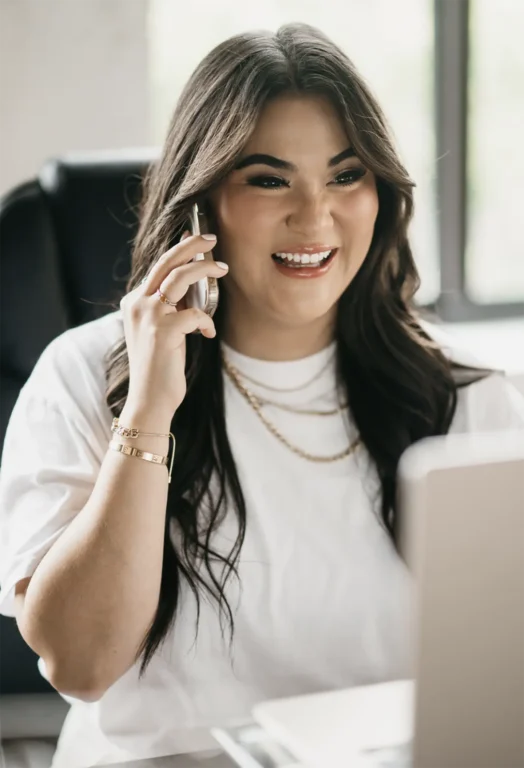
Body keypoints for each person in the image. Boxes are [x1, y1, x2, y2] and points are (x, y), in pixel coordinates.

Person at [1, 22, 524, 768]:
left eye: (346, 176)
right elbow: (79, 663)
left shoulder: (470, 398)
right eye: (269, 179)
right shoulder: (86, 377)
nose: (315, 217)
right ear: (200, 204)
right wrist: (151, 405)